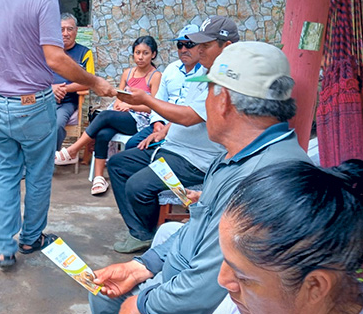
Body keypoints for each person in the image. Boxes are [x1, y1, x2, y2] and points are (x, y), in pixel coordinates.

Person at [89, 41, 311, 314]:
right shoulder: (237, 155)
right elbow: (199, 227)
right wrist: (142, 267)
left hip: (209, 300)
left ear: (223, 101)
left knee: (110, 300)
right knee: (104, 292)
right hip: (183, 277)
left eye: (207, 91)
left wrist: (143, 306)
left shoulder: (266, 181)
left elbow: (206, 287)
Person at [0, 0, 115, 270]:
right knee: (38, 176)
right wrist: (94, 81)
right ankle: (30, 238)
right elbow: (55, 59)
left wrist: (14, 58)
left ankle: (3, 249)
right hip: (31, 105)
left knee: (6, 176)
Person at [107, 16, 237, 254]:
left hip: (193, 160)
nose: (196, 50)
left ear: (226, 48)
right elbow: (187, 112)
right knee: (118, 163)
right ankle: (140, 230)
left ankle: (145, 233)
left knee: (138, 185)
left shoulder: (224, 82)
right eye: (192, 44)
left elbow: (189, 116)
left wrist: (146, 99)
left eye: (205, 45)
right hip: (171, 147)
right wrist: (163, 129)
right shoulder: (204, 75)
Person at [215, 160, 363, 314]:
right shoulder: (244, 304)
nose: (222, 280)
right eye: (225, 259)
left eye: (243, 277)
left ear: (314, 286)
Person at [56, 36, 161, 195]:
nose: (140, 57)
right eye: (137, 52)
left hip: (141, 120)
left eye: (145, 53)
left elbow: (154, 107)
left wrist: (130, 105)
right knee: (103, 132)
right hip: (121, 115)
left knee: (104, 116)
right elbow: (119, 95)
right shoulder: (128, 73)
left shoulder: (155, 76)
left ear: (153, 54)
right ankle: (99, 178)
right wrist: (119, 104)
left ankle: (74, 149)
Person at [124, 24, 203, 149]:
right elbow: (159, 99)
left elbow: (193, 113)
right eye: (180, 45)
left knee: (147, 151)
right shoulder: (172, 69)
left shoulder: (205, 74)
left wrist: (165, 129)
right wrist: (157, 122)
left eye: (189, 45)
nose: (183, 50)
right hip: (161, 124)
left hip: (185, 128)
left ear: (201, 47)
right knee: (132, 146)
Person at [52, 13, 94, 152]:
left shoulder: (85, 53)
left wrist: (65, 89)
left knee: (57, 125)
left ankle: (51, 159)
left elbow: (89, 82)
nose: (65, 33)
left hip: (67, 102)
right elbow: (34, 79)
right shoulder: (48, 52)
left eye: (69, 29)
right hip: (44, 99)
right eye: (61, 29)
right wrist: (51, 88)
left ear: (76, 31)